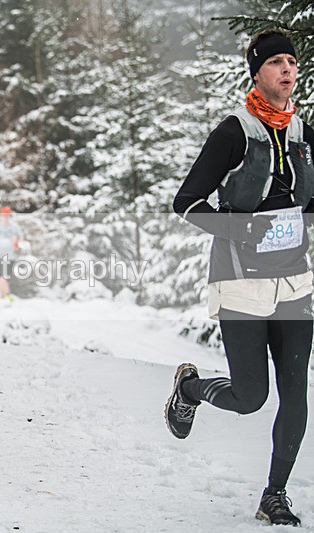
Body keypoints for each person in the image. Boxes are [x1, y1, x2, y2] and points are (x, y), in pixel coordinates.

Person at [165, 29, 314, 526]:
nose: (287, 70)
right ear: (257, 71)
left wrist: (300, 224)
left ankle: (275, 493)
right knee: (251, 398)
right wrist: (245, 229)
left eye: (291, 62)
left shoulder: (304, 136)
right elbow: (186, 203)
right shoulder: (234, 132)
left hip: (295, 282)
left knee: (296, 393)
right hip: (239, 281)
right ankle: (189, 391)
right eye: (276, 62)